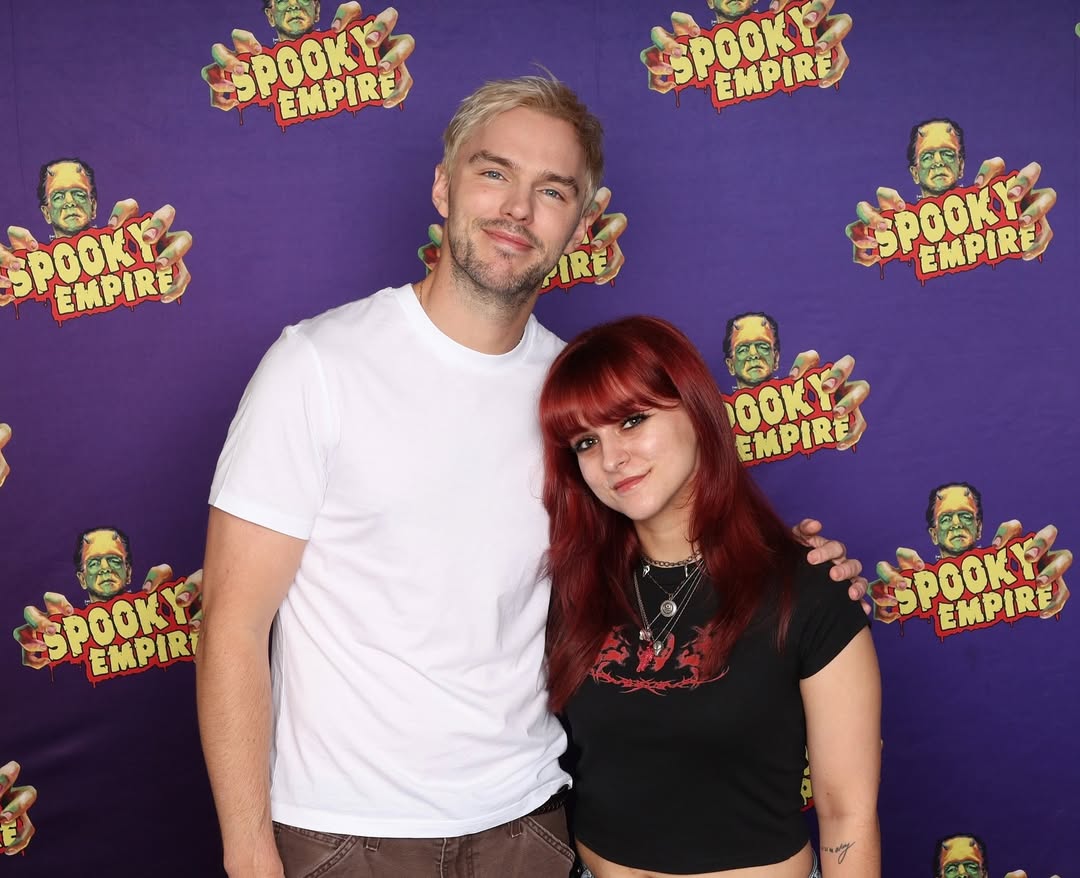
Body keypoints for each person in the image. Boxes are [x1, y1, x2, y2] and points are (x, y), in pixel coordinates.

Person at [197, 75, 868, 878]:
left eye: (552, 190)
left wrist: (797, 573)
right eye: (494, 173)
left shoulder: (575, 399)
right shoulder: (317, 366)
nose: (518, 208)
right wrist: (247, 852)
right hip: (346, 833)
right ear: (444, 186)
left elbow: (670, 543)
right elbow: (232, 624)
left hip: (533, 826)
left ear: (582, 223)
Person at [539, 315, 881, 878]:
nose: (611, 459)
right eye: (585, 442)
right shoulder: (572, 591)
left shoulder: (808, 588)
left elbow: (848, 816)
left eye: (632, 420)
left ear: (696, 410)